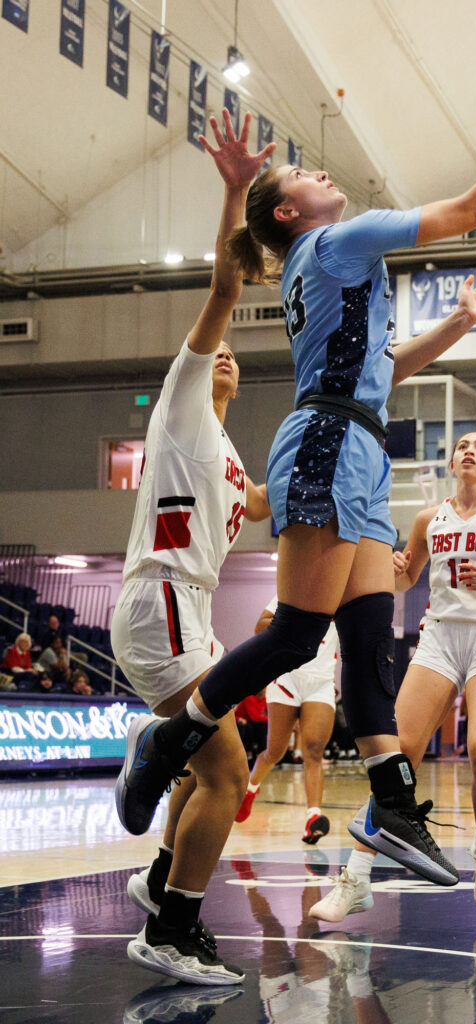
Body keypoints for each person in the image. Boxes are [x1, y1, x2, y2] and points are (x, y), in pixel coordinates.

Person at [115, 81, 476, 889]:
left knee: (372, 638)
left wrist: (459, 324)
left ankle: (395, 811)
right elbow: (473, 208)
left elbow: (383, 368)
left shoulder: (324, 257)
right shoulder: (341, 241)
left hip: (358, 440)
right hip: (329, 438)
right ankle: (170, 740)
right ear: (292, 214)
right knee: (299, 634)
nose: (322, 174)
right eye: (304, 174)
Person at [110, 110, 274, 985]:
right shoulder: (180, 409)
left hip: (193, 610)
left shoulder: (234, 457)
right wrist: (237, 188)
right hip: (162, 598)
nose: (225, 360)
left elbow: (278, 499)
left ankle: (154, 876)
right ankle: (170, 928)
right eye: (216, 355)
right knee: (226, 772)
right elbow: (222, 285)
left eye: (235, 362)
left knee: (214, 774)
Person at [309, 431, 476, 922]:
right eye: (462, 445)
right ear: (451, 462)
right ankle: (355, 879)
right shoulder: (428, 519)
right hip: (438, 639)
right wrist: (396, 566)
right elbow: (404, 579)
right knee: (396, 759)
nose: (469, 450)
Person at [235, 597, 339, 844]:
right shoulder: (291, 589)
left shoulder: (340, 596)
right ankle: (250, 788)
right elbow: (260, 626)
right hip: (286, 678)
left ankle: (313, 817)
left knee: (313, 749)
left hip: (321, 681)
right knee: (275, 751)